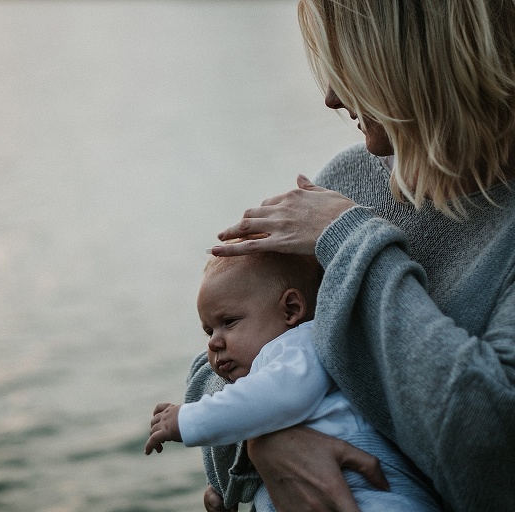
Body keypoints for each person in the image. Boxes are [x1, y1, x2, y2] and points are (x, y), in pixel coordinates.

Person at [203, 1, 515, 511]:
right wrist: (263, 442)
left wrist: (351, 243)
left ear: (424, 57)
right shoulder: (351, 180)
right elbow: (218, 356)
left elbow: (489, 455)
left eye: (349, 60)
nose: (330, 95)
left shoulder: (338, 220)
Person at [145, 252, 441, 511]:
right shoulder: (265, 366)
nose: (214, 343)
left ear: (291, 310)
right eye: (209, 331)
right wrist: (223, 489)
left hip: (376, 496)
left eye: (229, 322)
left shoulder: (300, 345)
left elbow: (270, 401)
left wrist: (186, 419)